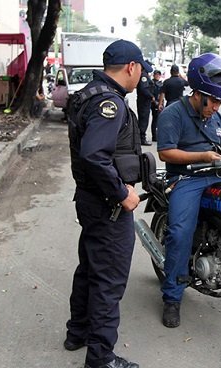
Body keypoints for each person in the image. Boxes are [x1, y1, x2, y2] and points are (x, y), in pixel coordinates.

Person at [66, 39, 152, 368]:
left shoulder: (88, 93)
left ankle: (78, 332)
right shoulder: (110, 103)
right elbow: (94, 155)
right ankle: (100, 357)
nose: (140, 75)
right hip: (107, 204)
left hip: (89, 199)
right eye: (140, 69)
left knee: (89, 268)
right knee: (109, 279)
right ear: (131, 67)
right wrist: (122, 193)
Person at [156, 53, 221, 328]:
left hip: (216, 177)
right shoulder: (173, 114)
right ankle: (172, 296)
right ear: (198, 94)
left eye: (220, 102)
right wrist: (202, 157)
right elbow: (165, 153)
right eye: (213, 101)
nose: (216, 107)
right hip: (185, 181)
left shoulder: (217, 118)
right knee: (179, 233)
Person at [136, 66, 155, 146]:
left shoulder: (144, 74)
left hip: (144, 101)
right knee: (143, 120)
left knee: (143, 120)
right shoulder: (143, 75)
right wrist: (151, 96)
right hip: (144, 101)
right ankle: (141, 139)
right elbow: (144, 89)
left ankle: (140, 138)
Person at [150, 70, 163, 141]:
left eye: (158, 75)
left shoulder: (161, 84)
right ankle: (154, 136)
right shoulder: (151, 83)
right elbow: (151, 94)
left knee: (159, 120)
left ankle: (157, 135)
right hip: (154, 103)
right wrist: (155, 102)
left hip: (160, 103)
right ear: (154, 75)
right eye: (156, 74)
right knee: (155, 120)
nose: (157, 76)